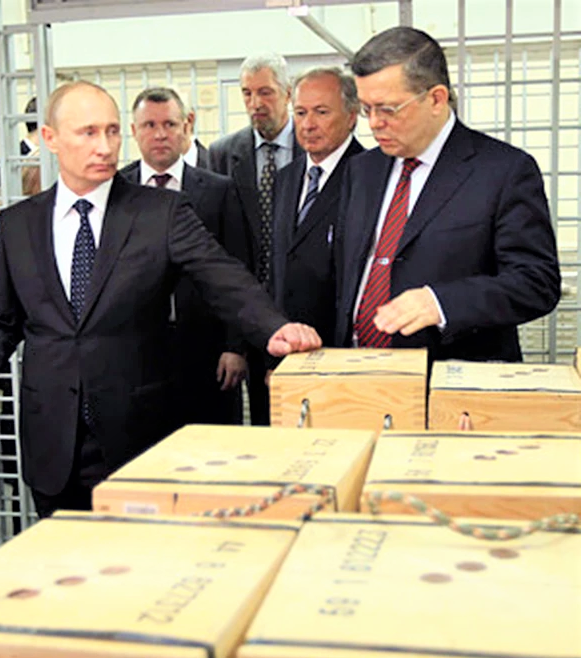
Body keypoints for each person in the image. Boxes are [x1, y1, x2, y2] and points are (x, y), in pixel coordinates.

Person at [0, 81, 322, 518]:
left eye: (112, 131)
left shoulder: (160, 212)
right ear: (50, 138)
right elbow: (0, 321)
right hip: (53, 439)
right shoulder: (18, 226)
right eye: (88, 132)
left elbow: (222, 275)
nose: (105, 146)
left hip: (138, 435)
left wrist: (273, 327)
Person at [335, 26, 560, 360]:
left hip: (451, 375)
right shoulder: (361, 170)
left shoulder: (503, 171)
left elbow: (536, 282)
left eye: (388, 109)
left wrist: (440, 303)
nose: (374, 123)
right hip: (358, 372)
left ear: (436, 99)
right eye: (367, 108)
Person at [120, 86, 250, 426]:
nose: (160, 134)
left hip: (208, 353)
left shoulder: (219, 190)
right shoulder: (117, 192)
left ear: (186, 126)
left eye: (170, 124)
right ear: (134, 131)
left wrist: (235, 346)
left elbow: (238, 272)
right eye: (149, 125)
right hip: (138, 356)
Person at [208, 53, 303, 425]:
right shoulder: (222, 155)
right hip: (247, 315)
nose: (255, 103)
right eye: (247, 93)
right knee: (262, 424)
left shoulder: (314, 147)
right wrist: (232, 341)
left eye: (265, 92)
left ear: (287, 93)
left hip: (304, 313)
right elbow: (219, 253)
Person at [271, 67, 363, 344]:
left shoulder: (370, 177)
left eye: (321, 112)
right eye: (300, 113)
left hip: (341, 346)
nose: (308, 124)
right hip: (287, 342)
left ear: (351, 116)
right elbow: (278, 266)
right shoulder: (286, 178)